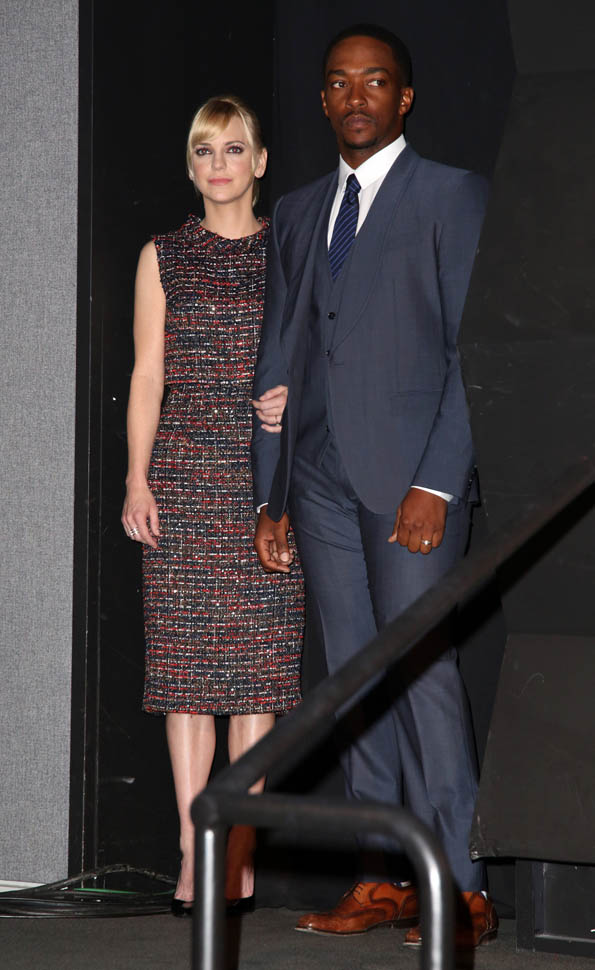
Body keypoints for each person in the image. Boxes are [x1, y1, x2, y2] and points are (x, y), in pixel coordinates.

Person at [252, 24, 496, 948]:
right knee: (354, 678)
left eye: (375, 81)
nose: (355, 96)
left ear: (404, 98)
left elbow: (472, 352)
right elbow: (280, 351)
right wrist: (269, 491)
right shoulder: (298, 209)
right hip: (314, 477)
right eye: (338, 83)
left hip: (409, 481)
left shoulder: (451, 195)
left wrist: (438, 481)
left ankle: (462, 885)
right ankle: (382, 875)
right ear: (322, 99)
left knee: (421, 670)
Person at [122, 95, 304, 916]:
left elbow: (326, 357)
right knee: (186, 680)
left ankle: (237, 854)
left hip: (266, 486)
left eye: (234, 149)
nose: (219, 164)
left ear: (260, 162)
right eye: (204, 151)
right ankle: (195, 854)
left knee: (256, 680)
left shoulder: (292, 249)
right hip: (185, 481)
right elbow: (147, 374)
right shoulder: (161, 255)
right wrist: (137, 479)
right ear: (190, 166)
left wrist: (294, 399)